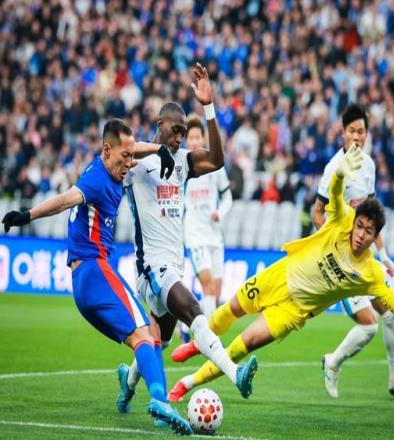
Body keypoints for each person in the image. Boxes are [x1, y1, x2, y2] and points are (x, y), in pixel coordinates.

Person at [167, 145, 394, 401]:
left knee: (241, 346)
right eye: (360, 226)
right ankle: (197, 345)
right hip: (280, 276)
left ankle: (187, 383)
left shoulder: (372, 273)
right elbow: (335, 193)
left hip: (293, 312)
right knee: (231, 309)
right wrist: (340, 173)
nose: (360, 234)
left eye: (368, 231)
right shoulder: (343, 220)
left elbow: (393, 303)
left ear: (375, 236)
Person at [2, 119, 193, 435]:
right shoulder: (95, 181)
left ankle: (128, 387)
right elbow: (64, 200)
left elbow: (133, 147)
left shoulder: (109, 162)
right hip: (95, 269)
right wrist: (27, 215)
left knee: (149, 333)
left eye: (131, 155)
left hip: (84, 284)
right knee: (146, 335)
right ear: (107, 150)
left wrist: (159, 148)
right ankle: (161, 402)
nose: (130, 163)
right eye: (125, 157)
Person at [116, 63, 257, 417]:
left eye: (182, 132)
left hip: (173, 266)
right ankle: (235, 373)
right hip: (151, 269)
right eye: (174, 130)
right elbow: (122, 149)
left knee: (158, 341)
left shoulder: (181, 161)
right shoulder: (136, 164)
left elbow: (218, 160)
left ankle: (127, 382)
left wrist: (208, 107)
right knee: (195, 312)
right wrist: (155, 149)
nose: (179, 138)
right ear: (159, 124)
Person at [310, 103, 394, 398]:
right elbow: (317, 211)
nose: (357, 136)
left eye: (362, 131)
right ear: (343, 132)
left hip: (365, 257)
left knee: (390, 313)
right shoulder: (334, 168)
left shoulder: (369, 166)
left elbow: (372, 217)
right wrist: (330, 241)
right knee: (370, 326)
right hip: (342, 261)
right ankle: (332, 362)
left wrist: (383, 256)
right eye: (352, 131)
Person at [183, 115, 233, 318]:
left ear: (203, 139)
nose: (195, 141)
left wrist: (219, 213)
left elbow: (228, 197)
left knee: (216, 294)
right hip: (195, 235)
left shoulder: (215, 167)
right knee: (209, 286)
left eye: (198, 137)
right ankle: (208, 334)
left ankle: (187, 325)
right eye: (191, 138)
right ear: (186, 141)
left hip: (215, 235)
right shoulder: (182, 167)